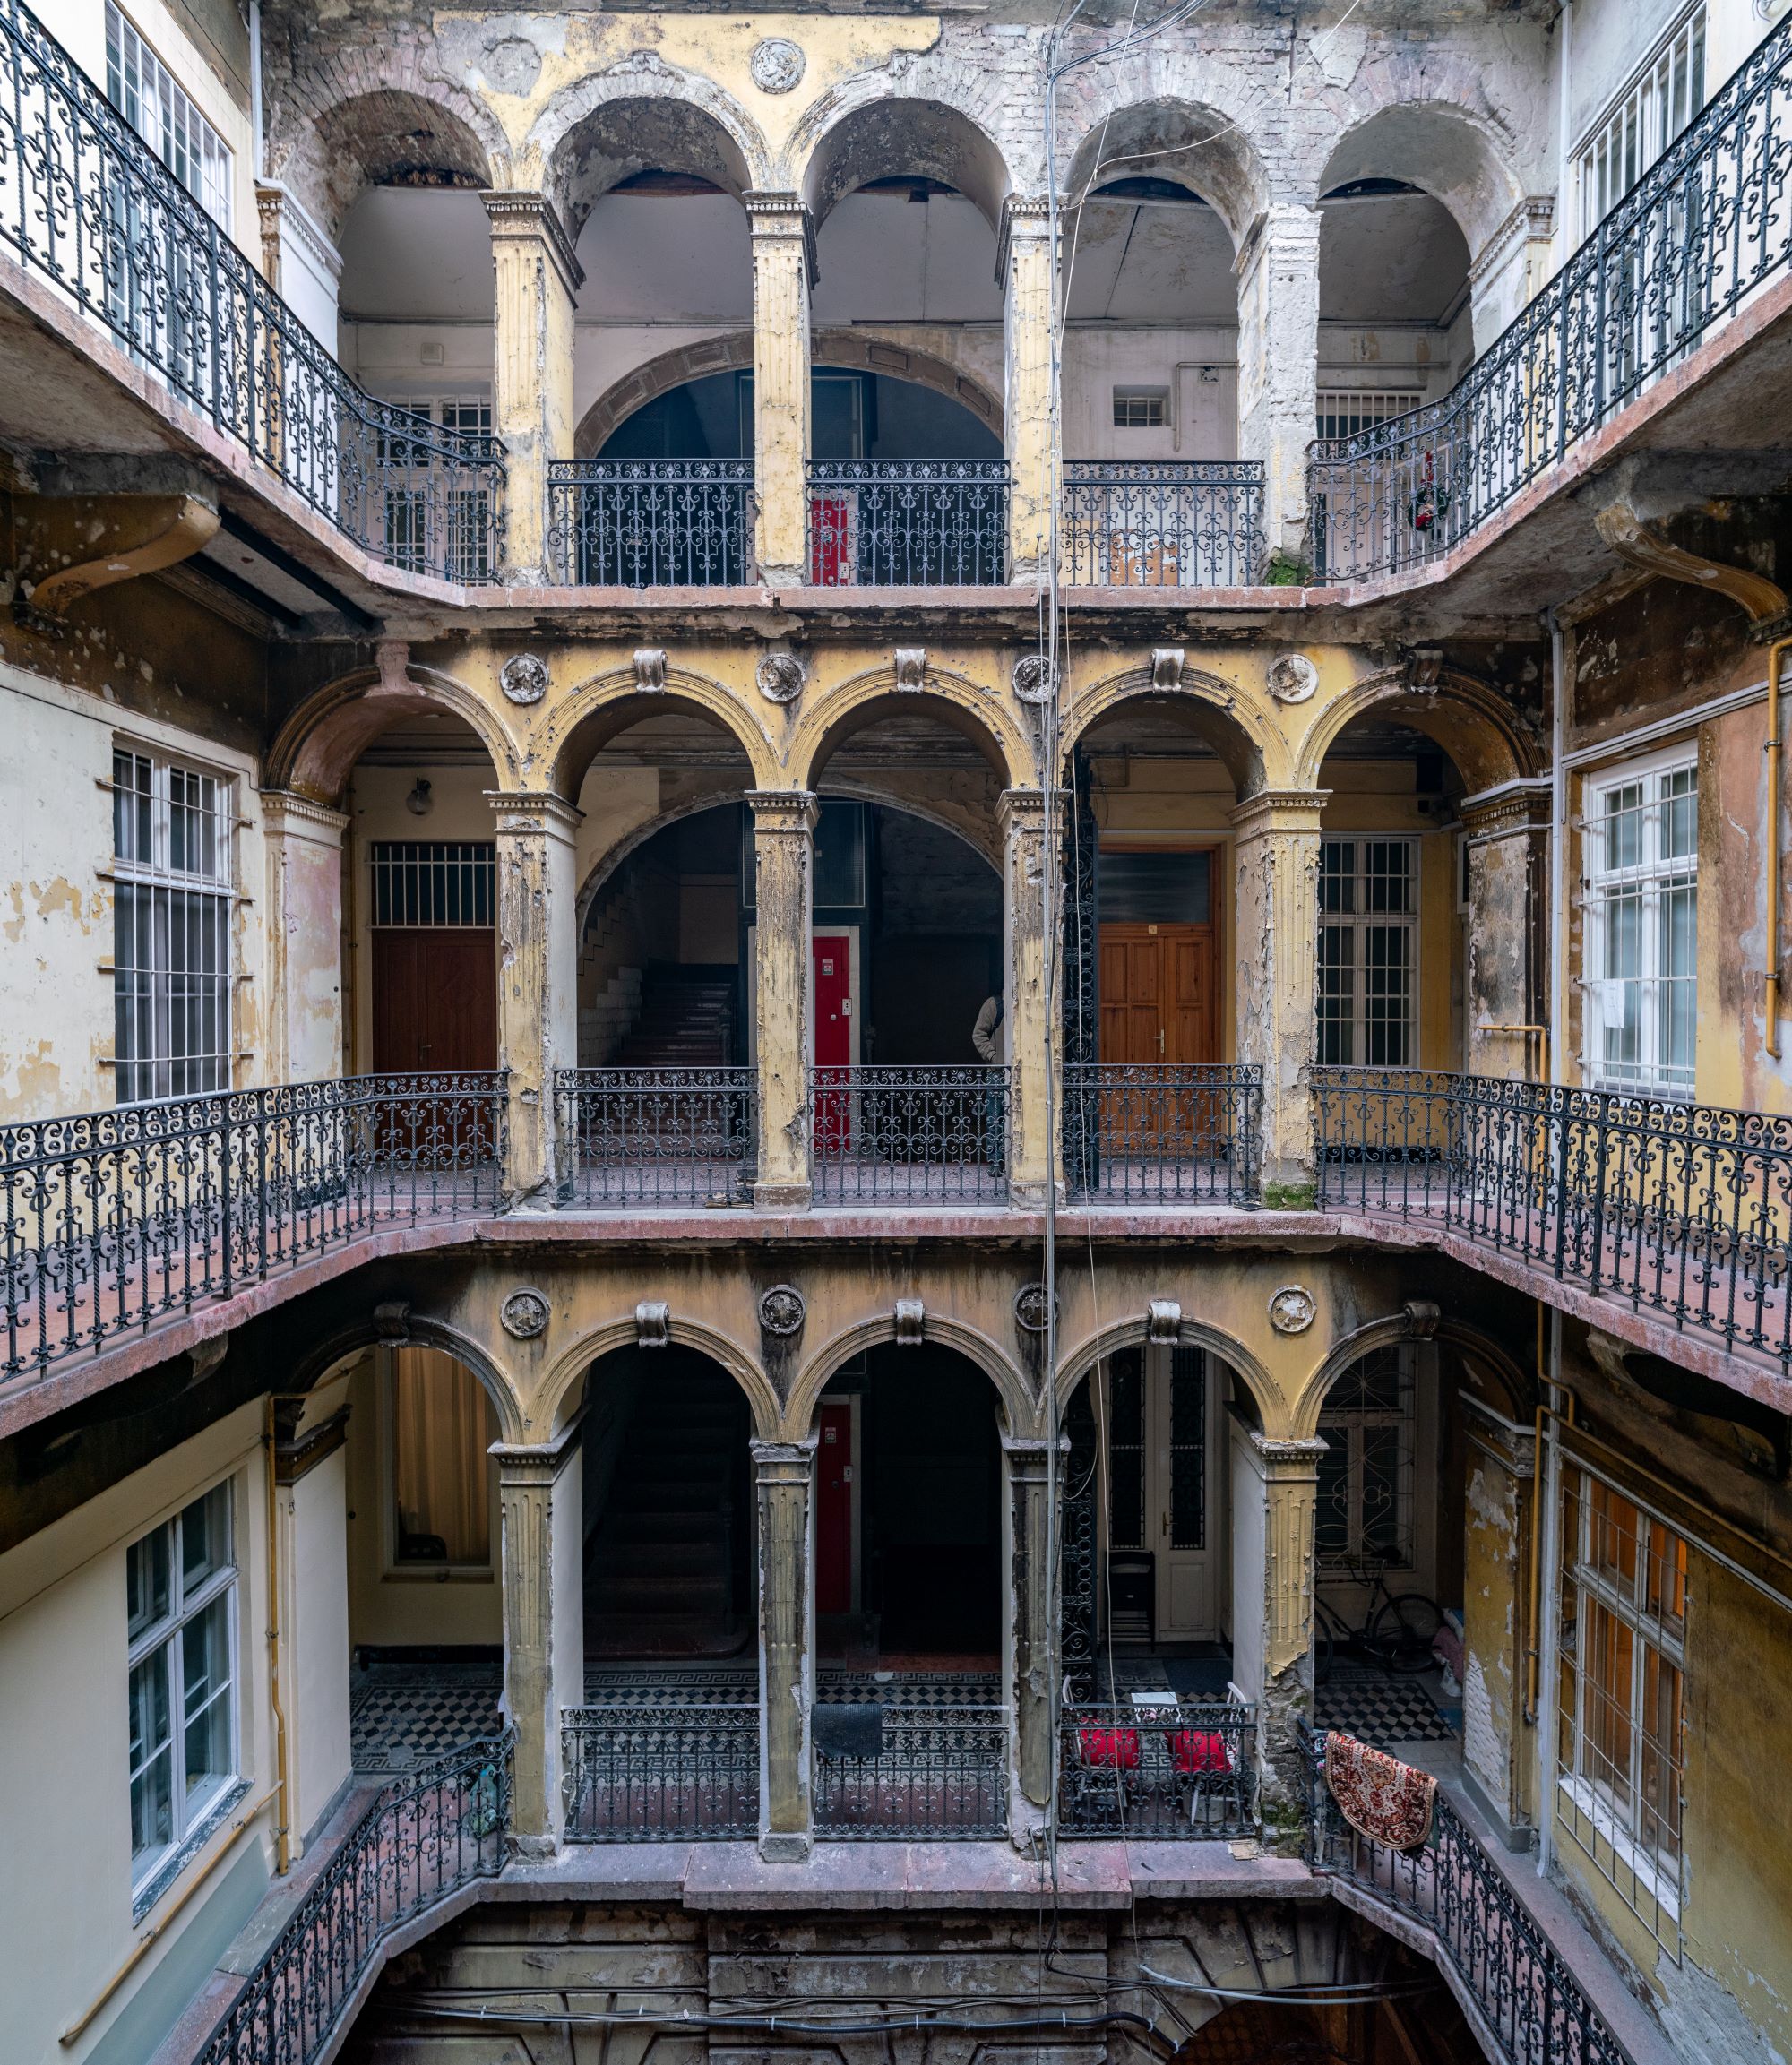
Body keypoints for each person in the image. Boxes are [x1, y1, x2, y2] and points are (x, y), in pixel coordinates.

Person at [971, 993, 1005, 1174]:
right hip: (997, 1073)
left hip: (1018, 1071)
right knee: (995, 1117)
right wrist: (994, 1058)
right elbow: (978, 1035)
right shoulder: (994, 1005)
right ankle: (995, 1161)